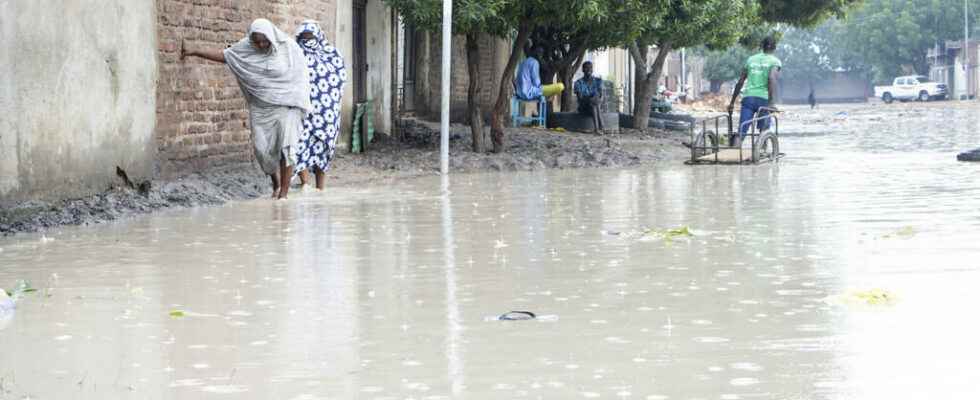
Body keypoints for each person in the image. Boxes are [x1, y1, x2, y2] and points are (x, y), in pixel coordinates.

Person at [182, 19, 312, 200]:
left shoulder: (289, 49)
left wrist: (297, 102)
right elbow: (227, 56)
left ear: (271, 37)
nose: (260, 45)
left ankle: (283, 194)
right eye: (256, 41)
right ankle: (274, 181)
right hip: (261, 107)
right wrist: (195, 51)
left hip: (287, 106)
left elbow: (300, 78)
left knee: (287, 149)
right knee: (261, 149)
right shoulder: (246, 47)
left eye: (264, 41)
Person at [293, 20, 347, 191]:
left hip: (327, 113)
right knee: (300, 145)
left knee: (324, 149)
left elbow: (341, 79)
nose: (308, 41)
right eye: (304, 37)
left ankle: (320, 189)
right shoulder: (295, 55)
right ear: (299, 38)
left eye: (311, 37)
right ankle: (305, 184)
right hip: (303, 111)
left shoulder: (332, 54)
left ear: (319, 36)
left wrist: (331, 103)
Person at [728, 36, 782, 146]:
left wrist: (732, 102)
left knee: (742, 130)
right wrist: (771, 102)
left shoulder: (751, 59)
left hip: (748, 98)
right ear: (774, 47)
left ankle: (734, 153)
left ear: (762, 46)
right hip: (764, 99)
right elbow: (772, 78)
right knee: (764, 130)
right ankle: (761, 151)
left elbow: (740, 81)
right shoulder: (775, 61)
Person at [573, 61, 604, 134]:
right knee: (593, 102)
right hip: (584, 107)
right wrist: (590, 98)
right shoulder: (578, 83)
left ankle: (597, 129)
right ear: (583, 70)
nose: (589, 69)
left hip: (596, 105)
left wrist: (595, 98)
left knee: (594, 103)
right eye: (586, 68)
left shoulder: (597, 81)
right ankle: (600, 127)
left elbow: (600, 95)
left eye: (590, 68)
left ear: (592, 70)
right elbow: (580, 99)